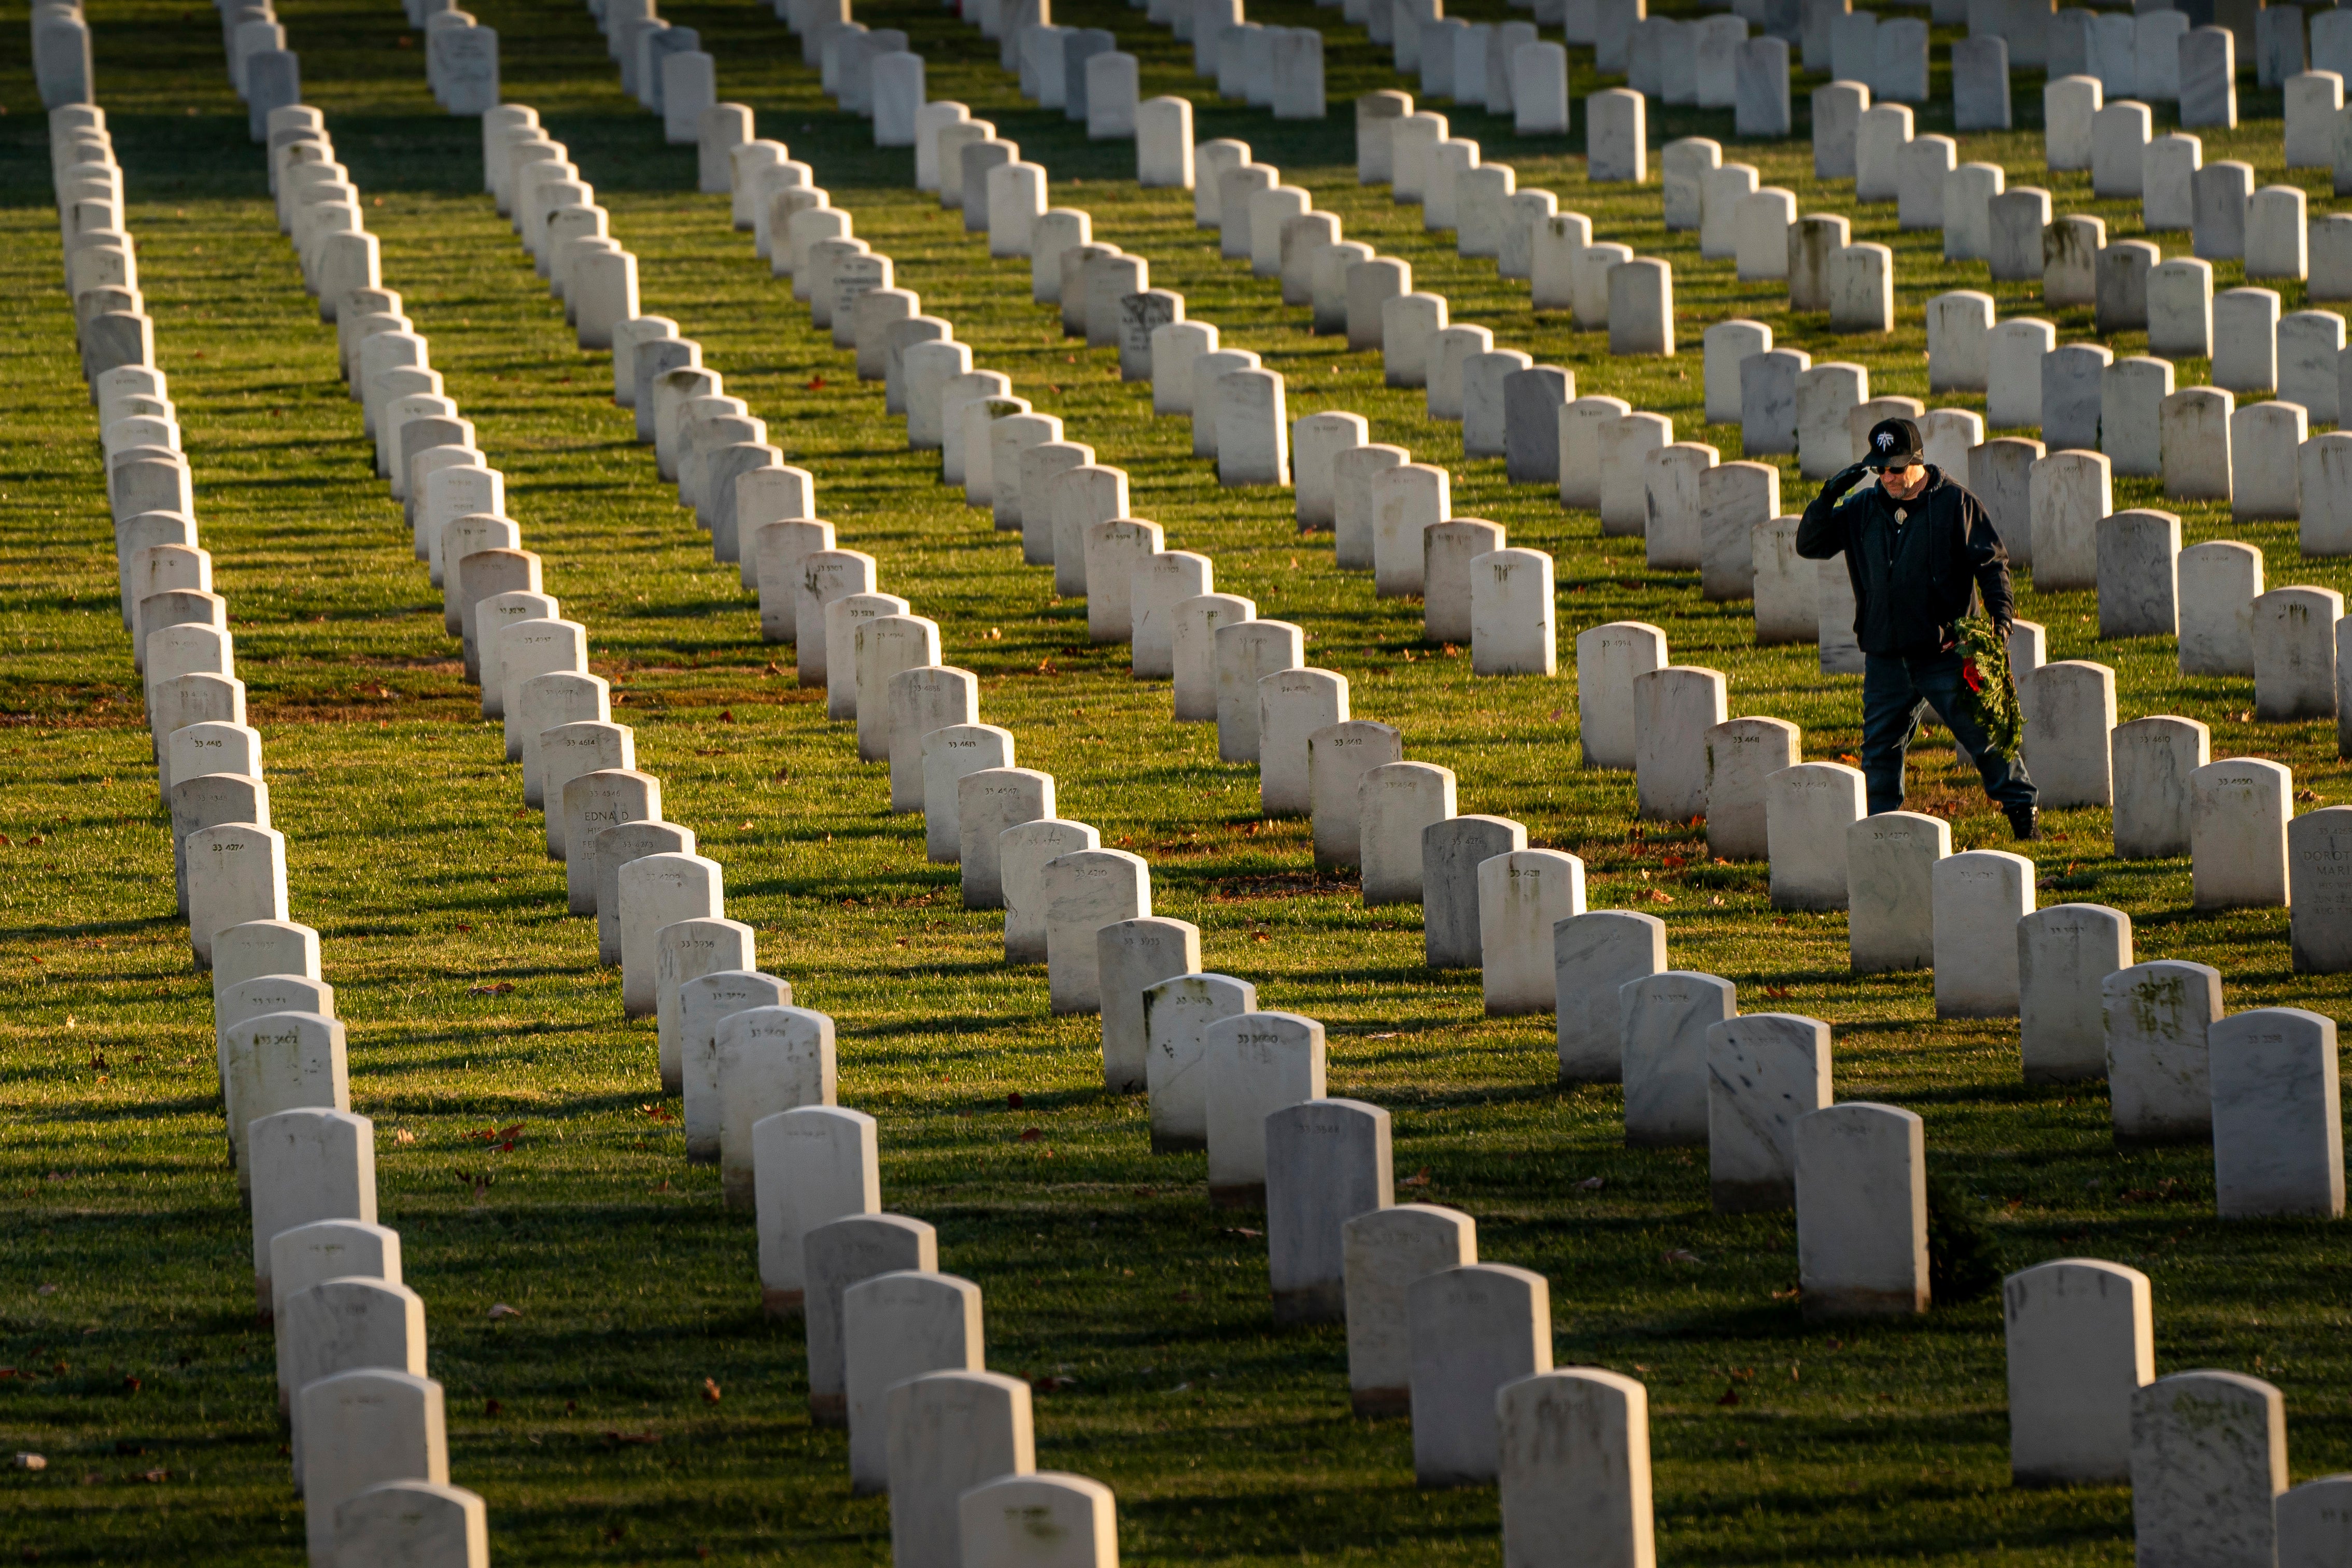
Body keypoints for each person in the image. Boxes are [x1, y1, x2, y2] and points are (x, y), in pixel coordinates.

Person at [1796, 416, 2040, 840]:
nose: (1887, 477)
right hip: (1886, 656)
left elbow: (1991, 564)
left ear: (1916, 461)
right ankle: (1884, 835)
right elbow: (1809, 545)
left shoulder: (1955, 505)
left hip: (1945, 654)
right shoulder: (1860, 510)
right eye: (1879, 468)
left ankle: (2024, 817)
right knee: (1879, 753)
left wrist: (2000, 621)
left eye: (1894, 467)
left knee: (1983, 737)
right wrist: (1826, 499)